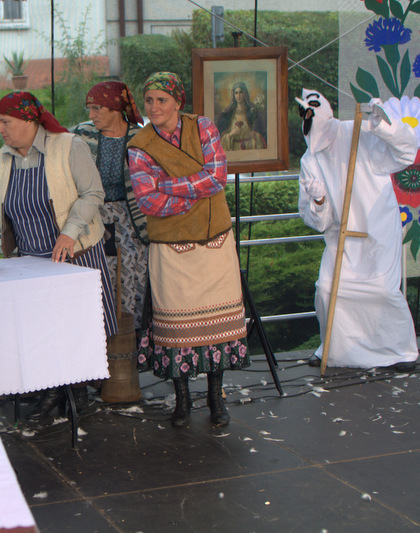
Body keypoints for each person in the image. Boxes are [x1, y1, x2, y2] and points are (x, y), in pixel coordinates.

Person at [0, 91, 117, 422]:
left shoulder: (69, 146)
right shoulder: (2, 159)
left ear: (29, 120)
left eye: (5, 122)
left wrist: (69, 232)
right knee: (43, 331)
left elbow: (93, 193)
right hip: (31, 262)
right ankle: (52, 390)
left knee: (75, 329)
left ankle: (76, 393)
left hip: (76, 256)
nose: (0, 130)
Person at [128, 72, 249, 427]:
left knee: (217, 328)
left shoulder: (204, 127)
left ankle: (215, 398)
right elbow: (148, 201)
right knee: (177, 331)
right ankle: (182, 401)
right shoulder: (139, 145)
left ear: (178, 102)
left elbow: (217, 177)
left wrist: (168, 184)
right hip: (171, 250)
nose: (154, 107)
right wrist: (195, 196)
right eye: (149, 101)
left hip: (215, 244)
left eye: (162, 100)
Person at [296, 89, 419, 371]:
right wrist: (319, 200)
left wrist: (383, 124)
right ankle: (333, 349)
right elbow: (318, 221)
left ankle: (398, 351)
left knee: (383, 291)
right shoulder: (309, 161)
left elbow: (405, 153)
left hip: (377, 229)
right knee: (327, 289)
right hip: (341, 237)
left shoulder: (357, 132)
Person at [72, 81, 148, 331]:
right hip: (93, 217)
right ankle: (98, 337)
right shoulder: (82, 134)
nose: (92, 115)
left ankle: (130, 339)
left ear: (116, 108)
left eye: (97, 108)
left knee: (131, 275)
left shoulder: (141, 137)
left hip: (132, 219)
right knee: (97, 276)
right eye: (90, 109)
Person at [215, 81, 267, 151]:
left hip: (249, 148)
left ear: (245, 94)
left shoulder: (252, 111)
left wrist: (256, 136)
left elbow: (262, 134)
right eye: (236, 93)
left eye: (241, 92)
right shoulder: (228, 113)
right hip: (233, 148)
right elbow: (219, 138)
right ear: (233, 95)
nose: (238, 96)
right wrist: (230, 135)